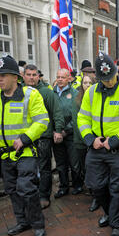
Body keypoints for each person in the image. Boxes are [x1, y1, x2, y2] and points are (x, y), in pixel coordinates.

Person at [78, 52, 119, 236]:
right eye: (105, 79)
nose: (109, 82)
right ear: (98, 78)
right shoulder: (91, 92)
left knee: (117, 189)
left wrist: (114, 141)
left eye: (111, 77)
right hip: (96, 147)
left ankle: (117, 224)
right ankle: (108, 212)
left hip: (118, 149)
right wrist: (90, 138)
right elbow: (82, 117)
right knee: (96, 186)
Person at [0, 55, 49, 236]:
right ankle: (22, 221)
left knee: (27, 189)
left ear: (16, 77)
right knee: (11, 189)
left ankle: (38, 225)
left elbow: (42, 121)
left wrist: (24, 138)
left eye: (3, 75)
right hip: (5, 154)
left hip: (25, 153)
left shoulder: (31, 95)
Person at [23, 64, 65, 209]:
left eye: (34, 74)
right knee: (27, 168)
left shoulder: (47, 93)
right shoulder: (18, 92)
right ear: (23, 76)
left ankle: (44, 196)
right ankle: (29, 195)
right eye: (28, 74)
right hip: (24, 138)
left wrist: (58, 130)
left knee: (44, 168)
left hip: (43, 138)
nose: (32, 77)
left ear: (38, 76)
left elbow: (57, 112)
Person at [53, 69, 82, 198]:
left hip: (70, 134)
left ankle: (77, 184)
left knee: (74, 162)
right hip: (56, 135)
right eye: (58, 77)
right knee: (60, 163)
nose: (60, 79)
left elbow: (76, 116)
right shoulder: (51, 93)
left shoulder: (75, 94)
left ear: (69, 79)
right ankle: (63, 186)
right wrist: (55, 131)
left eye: (62, 77)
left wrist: (66, 131)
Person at [73, 74, 99, 212]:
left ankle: (97, 196)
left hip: (94, 140)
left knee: (94, 170)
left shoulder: (97, 98)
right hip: (80, 140)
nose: (87, 85)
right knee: (83, 168)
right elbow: (77, 121)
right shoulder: (77, 100)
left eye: (90, 83)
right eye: (84, 83)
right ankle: (90, 190)